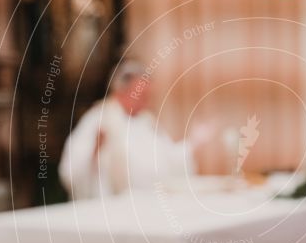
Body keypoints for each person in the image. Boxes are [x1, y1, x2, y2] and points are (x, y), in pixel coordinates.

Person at [59, 59, 206, 199]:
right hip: (116, 207)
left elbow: (168, 159)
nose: (146, 102)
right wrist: (95, 150)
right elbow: (70, 171)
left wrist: (192, 144)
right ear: (121, 91)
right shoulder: (99, 120)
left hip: (152, 202)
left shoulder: (147, 121)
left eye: (148, 96)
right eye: (142, 96)